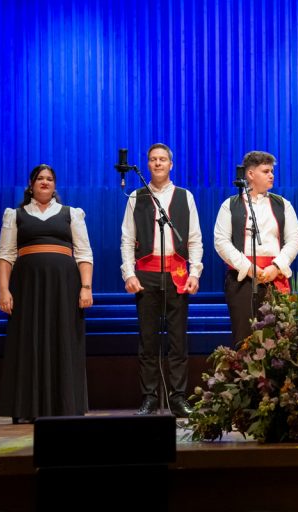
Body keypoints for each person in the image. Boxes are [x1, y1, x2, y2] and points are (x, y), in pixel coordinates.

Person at [0, 164, 94, 424]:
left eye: (50, 179)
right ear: (31, 185)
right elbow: (5, 255)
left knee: (63, 339)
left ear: (55, 185)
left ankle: (64, 405)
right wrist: (4, 290)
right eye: (40, 178)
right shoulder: (15, 215)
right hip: (27, 288)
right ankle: (28, 407)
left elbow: (84, 253)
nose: (45, 182)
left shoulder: (71, 214)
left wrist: (86, 287)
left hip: (64, 287)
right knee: (28, 342)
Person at [120, 143, 203, 417]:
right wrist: (129, 273)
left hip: (177, 272)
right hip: (146, 273)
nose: (158, 163)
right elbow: (127, 239)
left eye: (163, 159)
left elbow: (194, 239)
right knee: (148, 339)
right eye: (153, 159)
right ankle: (150, 397)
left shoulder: (185, 196)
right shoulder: (136, 196)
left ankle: (178, 397)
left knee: (178, 339)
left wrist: (195, 272)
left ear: (171, 164)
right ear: (148, 165)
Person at [214, 151, 298, 343]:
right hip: (242, 278)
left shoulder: (283, 204)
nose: (271, 175)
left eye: (272, 171)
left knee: (277, 338)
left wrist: (276, 266)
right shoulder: (230, 205)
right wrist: (248, 267)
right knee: (244, 337)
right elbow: (221, 241)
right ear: (251, 174)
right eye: (266, 171)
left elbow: (294, 239)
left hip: (274, 276)